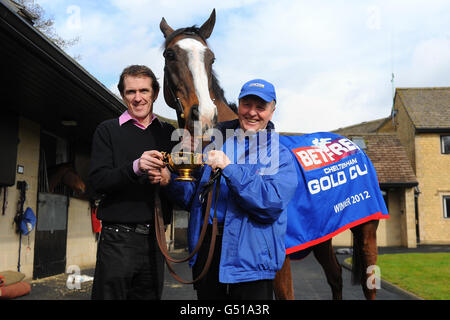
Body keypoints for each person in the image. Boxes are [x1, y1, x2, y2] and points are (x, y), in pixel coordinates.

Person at [153, 79, 298, 300]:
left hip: (251, 257)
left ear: (272, 110)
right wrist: (170, 181)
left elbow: (270, 204)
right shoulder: (214, 142)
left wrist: (229, 169)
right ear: (238, 105)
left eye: (260, 107)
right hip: (208, 251)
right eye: (246, 104)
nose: (252, 112)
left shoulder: (281, 154)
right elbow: (194, 198)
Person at [88, 65, 175, 300]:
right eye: (131, 92)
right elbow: (96, 182)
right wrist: (135, 167)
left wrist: (168, 178)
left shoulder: (169, 133)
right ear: (123, 94)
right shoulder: (107, 130)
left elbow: (182, 189)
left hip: (156, 239)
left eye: (144, 91)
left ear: (155, 94)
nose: (138, 98)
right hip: (118, 239)